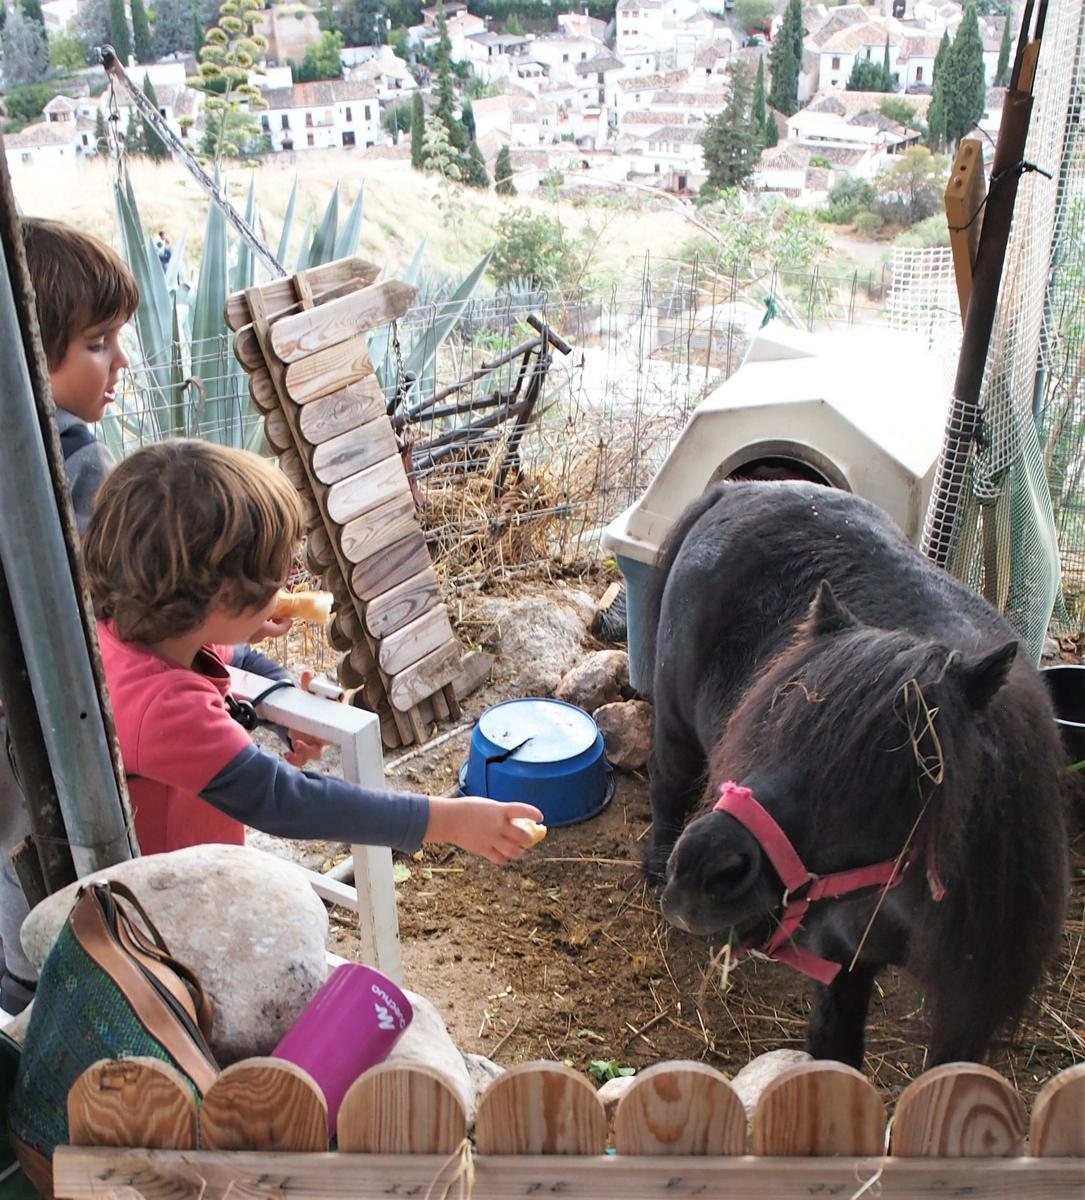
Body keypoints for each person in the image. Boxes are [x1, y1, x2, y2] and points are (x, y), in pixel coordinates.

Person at [81, 439, 544, 863]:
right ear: (221, 599)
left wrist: (282, 703)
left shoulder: (128, 632)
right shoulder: (163, 708)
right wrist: (445, 820)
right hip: (165, 909)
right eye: (275, 577)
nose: (286, 586)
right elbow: (282, 799)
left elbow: (232, 658)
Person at [1, 220, 140, 1018]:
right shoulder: (72, 457)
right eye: (96, 342)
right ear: (30, 347)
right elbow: (126, 602)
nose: (118, 361)